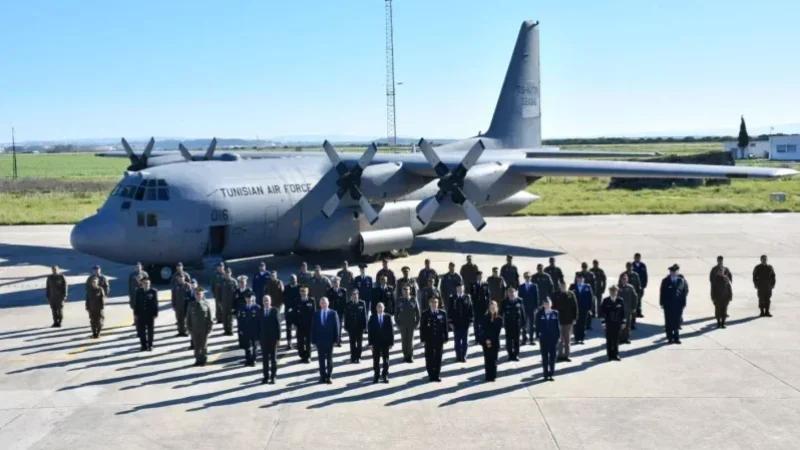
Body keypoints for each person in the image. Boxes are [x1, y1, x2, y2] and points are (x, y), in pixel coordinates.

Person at [311, 297, 340, 384]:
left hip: (329, 340)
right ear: (320, 304)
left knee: (329, 359)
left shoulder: (333, 313)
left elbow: (337, 327)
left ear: (328, 303)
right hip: (320, 340)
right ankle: (322, 376)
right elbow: (313, 328)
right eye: (322, 303)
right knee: (321, 359)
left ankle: (329, 376)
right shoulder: (316, 314)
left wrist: (336, 340)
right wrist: (313, 340)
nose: (323, 304)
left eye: (325, 302)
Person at [420, 296, 448, 382]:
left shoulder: (442, 313)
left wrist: (446, 338)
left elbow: (445, 327)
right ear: (429, 303)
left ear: (438, 303)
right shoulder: (425, 314)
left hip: (439, 339)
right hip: (429, 339)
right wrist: (422, 339)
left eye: (436, 302)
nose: (434, 304)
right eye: (432, 302)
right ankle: (431, 375)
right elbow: (422, 328)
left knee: (438, 357)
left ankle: (437, 375)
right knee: (429, 357)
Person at [660, 264, 689, 344]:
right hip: (668, 305)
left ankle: (676, 338)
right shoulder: (665, 280)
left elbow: (684, 293)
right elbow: (662, 292)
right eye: (671, 271)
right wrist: (662, 303)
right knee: (669, 321)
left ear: (677, 272)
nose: (673, 273)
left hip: (678, 305)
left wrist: (684, 303)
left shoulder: (681, 280)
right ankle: (669, 337)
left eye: (674, 271)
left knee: (676, 321)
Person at [368, 302, 394, 383]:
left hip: (385, 342)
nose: (380, 309)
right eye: (378, 307)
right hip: (376, 342)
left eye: (381, 307)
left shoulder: (388, 317)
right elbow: (370, 331)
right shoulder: (372, 317)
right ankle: (376, 375)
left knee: (386, 359)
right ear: (376, 309)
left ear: (384, 308)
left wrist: (391, 343)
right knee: (376, 360)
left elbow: (391, 331)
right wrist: (370, 343)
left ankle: (385, 375)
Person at [187, 287, 214, 366]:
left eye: (199, 294)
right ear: (195, 295)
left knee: (203, 345)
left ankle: (203, 360)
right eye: (197, 294)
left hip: (204, 329)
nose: (198, 296)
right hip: (194, 329)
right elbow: (188, 318)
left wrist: (210, 328)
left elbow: (210, 317)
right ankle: (197, 360)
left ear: (202, 295)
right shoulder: (191, 305)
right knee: (196, 345)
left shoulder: (206, 304)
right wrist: (189, 329)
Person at [551, 280, 577, 362]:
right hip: (559, 319)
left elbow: (575, 307)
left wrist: (574, 318)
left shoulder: (571, 294)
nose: (563, 287)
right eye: (561, 286)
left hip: (568, 319)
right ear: (559, 286)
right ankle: (559, 355)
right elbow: (552, 307)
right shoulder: (555, 294)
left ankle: (566, 355)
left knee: (567, 339)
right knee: (560, 339)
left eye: (564, 285)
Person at [536, 298, 560, 381]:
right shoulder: (539, 313)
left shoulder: (555, 313)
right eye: (545, 303)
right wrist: (538, 336)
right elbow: (537, 325)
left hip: (553, 338)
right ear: (543, 304)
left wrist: (558, 337)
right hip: (544, 338)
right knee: (545, 357)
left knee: (553, 356)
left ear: (551, 304)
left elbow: (558, 326)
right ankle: (545, 374)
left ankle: (551, 373)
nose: (547, 305)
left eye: (548, 303)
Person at [258, 295, 281, 384]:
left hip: (273, 339)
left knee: (273, 359)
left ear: (270, 301)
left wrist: (278, 338)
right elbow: (258, 326)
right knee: (265, 359)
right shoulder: (260, 311)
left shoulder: (274, 311)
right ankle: (265, 376)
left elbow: (278, 326)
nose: (266, 302)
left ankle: (273, 376)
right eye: (264, 300)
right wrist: (258, 338)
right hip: (263, 339)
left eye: (267, 300)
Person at [395, 285, 420, 363]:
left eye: (407, 290)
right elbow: (396, 313)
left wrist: (417, 323)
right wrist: (397, 323)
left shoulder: (413, 300)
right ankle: (405, 356)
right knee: (404, 340)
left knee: (410, 340)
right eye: (404, 290)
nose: (406, 291)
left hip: (411, 323)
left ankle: (410, 356)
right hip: (402, 323)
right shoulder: (399, 300)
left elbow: (417, 312)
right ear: (402, 291)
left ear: (410, 291)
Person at [448, 284, 473, 362]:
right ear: (456, 289)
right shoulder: (452, 298)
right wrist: (450, 322)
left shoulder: (467, 297)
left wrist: (471, 321)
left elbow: (470, 309)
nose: (460, 289)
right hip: (456, 323)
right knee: (457, 342)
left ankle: (464, 356)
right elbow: (450, 310)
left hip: (465, 323)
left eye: (461, 288)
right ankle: (458, 356)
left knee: (465, 341)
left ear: (463, 288)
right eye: (458, 288)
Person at [479, 300, 503, 382]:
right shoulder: (485, 317)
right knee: (487, 359)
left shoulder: (499, 319)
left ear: (496, 308)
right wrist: (486, 340)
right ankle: (487, 376)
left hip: (495, 342)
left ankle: (493, 376)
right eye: (491, 307)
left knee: (494, 359)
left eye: (494, 307)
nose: (492, 309)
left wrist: (490, 340)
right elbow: (483, 329)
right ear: (489, 308)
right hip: (486, 342)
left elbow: (496, 331)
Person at [600, 285, 625, 361]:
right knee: (609, 339)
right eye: (612, 291)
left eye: (615, 291)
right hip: (609, 323)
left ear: (617, 292)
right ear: (609, 292)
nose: (613, 293)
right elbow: (602, 313)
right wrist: (603, 323)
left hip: (617, 323)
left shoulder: (620, 300)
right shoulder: (606, 300)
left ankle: (616, 354)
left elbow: (623, 312)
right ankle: (610, 355)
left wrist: (623, 322)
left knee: (616, 339)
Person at [134, 278, 159, 351]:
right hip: (141, 314)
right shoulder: (138, 291)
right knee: (141, 331)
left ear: (150, 284)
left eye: (147, 283)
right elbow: (136, 303)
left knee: (150, 331)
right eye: (144, 283)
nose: (146, 285)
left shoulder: (153, 291)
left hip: (150, 314)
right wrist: (135, 313)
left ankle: (150, 345)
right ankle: (143, 345)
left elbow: (155, 303)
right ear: (142, 284)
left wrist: (155, 313)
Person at [344, 289, 368, 363]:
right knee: (352, 343)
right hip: (351, 327)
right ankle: (353, 357)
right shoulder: (348, 304)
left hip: (359, 327)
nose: (354, 296)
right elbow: (346, 316)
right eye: (353, 294)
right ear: (351, 296)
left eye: (356, 294)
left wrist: (365, 327)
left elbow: (364, 315)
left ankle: (358, 357)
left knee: (359, 343)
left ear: (358, 295)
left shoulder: (362, 303)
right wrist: (346, 326)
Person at [501, 287, 525, 361]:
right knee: (509, 341)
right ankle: (510, 355)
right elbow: (501, 313)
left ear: (515, 293)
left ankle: (516, 355)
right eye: (510, 292)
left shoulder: (520, 300)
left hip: (517, 324)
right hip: (508, 324)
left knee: (516, 340)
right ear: (507, 294)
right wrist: (500, 323)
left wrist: (523, 323)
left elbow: (522, 312)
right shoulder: (504, 302)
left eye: (513, 292)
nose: (511, 294)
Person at [238, 295, 262, 366]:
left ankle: (254, 359)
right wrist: (240, 329)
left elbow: (260, 320)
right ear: (245, 299)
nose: (249, 300)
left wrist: (260, 330)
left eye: (250, 298)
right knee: (247, 346)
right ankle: (248, 359)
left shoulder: (257, 307)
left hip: (255, 330)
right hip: (246, 330)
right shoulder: (242, 308)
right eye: (247, 298)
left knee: (255, 346)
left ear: (252, 298)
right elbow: (240, 320)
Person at [170, 263, 192, 336]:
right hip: (178, 304)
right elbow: (173, 295)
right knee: (179, 318)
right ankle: (180, 331)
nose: (180, 279)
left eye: (182, 278)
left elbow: (190, 295)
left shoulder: (187, 284)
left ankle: (186, 331)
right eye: (178, 266)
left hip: (186, 304)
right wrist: (173, 304)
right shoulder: (175, 283)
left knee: (186, 318)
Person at [295, 286, 316, 363]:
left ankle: (308, 356)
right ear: (299, 292)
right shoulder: (297, 300)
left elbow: (314, 313)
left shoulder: (311, 300)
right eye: (301, 291)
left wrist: (314, 324)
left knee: (308, 342)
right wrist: (295, 323)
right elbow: (294, 313)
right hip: (300, 325)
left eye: (304, 291)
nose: (303, 293)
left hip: (309, 325)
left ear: (307, 292)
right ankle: (302, 356)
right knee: (300, 342)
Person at [572, 274, 594, 345]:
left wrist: (590, 308)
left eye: (581, 278)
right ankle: (576, 338)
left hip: (584, 308)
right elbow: (569, 297)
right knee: (576, 324)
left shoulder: (587, 286)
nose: (580, 279)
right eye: (578, 278)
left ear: (583, 279)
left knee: (583, 323)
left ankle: (581, 338)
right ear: (576, 279)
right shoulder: (573, 286)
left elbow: (591, 298)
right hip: (575, 308)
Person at [619, 262, 643, 328]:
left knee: (633, 310)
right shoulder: (623, 275)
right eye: (628, 266)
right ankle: (625, 324)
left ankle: (632, 324)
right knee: (625, 312)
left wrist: (639, 294)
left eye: (630, 266)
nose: (629, 268)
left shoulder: (635, 275)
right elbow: (619, 284)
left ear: (632, 267)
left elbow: (639, 285)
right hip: (625, 295)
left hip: (633, 295)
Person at [617, 273, 638, 344]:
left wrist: (634, 308)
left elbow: (635, 298)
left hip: (628, 310)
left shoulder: (630, 287)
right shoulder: (617, 288)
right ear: (620, 279)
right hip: (619, 310)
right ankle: (619, 338)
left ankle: (626, 338)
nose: (624, 280)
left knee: (627, 325)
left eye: (625, 279)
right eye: (623, 279)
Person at [519, 272, 539, 345]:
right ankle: (524, 339)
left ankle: (531, 339)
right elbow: (519, 298)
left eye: (529, 277)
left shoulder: (534, 286)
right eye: (526, 277)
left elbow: (536, 297)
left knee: (532, 324)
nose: (527, 278)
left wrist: (536, 307)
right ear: (524, 277)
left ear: (530, 277)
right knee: (523, 324)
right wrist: (520, 308)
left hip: (532, 308)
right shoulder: (521, 286)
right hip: (523, 308)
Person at [470, 271, 490, 343]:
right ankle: (477, 338)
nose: (480, 277)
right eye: (478, 276)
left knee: (483, 322)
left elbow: (488, 295)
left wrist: (488, 306)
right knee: (476, 323)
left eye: (481, 276)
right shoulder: (473, 284)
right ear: (476, 276)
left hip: (484, 306)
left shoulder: (485, 284)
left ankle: (483, 337)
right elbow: (471, 295)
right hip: (476, 306)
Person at [327, 277, 349, 344]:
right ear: (332, 283)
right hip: (332, 311)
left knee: (339, 325)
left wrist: (345, 311)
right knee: (332, 325)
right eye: (334, 282)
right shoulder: (329, 291)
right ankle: (333, 339)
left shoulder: (343, 291)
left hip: (340, 311)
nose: (336, 284)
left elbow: (345, 302)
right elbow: (328, 302)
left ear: (339, 283)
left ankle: (338, 340)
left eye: (337, 282)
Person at [575, 262, 597, 330]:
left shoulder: (591, 274)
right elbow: (575, 283)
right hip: (581, 293)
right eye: (583, 267)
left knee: (589, 310)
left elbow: (594, 284)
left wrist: (594, 293)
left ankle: (588, 325)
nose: (584, 268)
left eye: (585, 267)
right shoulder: (579, 274)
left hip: (589, 292)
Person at [219, 267, 237, 335]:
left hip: (231, 302)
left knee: (230, 317)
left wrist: (235, 303)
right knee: (224, 317)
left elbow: (236, 292)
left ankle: (230, 330)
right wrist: (219, 302)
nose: (227, 274)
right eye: (226, 273)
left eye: (228, 273)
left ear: (231, 273)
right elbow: (219, 292)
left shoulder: (234, 282)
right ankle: (226, 330)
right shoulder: (222, 281)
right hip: (224, 302)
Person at [284, 274, 300, 349]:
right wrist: (289, 307)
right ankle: (289, 343)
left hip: (297, 311)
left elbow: (300, 298)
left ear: (296, 279)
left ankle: (298, 342)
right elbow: (285, 298)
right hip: (288, 310)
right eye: (291, 279)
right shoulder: (286, 288)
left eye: (294, 279)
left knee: (298, 328)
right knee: (288, 328)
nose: (292, 280)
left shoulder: (299, 287)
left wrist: (295, 307)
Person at [632, 253, 648, 317]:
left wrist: (645, 284)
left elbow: (645, 275)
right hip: (634, 286)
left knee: (639, 299)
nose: (637, 259)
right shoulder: (632, 265)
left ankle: (639, 312)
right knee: (634, 299)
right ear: (634, 258)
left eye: (638, 258)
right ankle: (634, 312)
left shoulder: (643, 265)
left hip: (641, 285)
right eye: (636, 257)